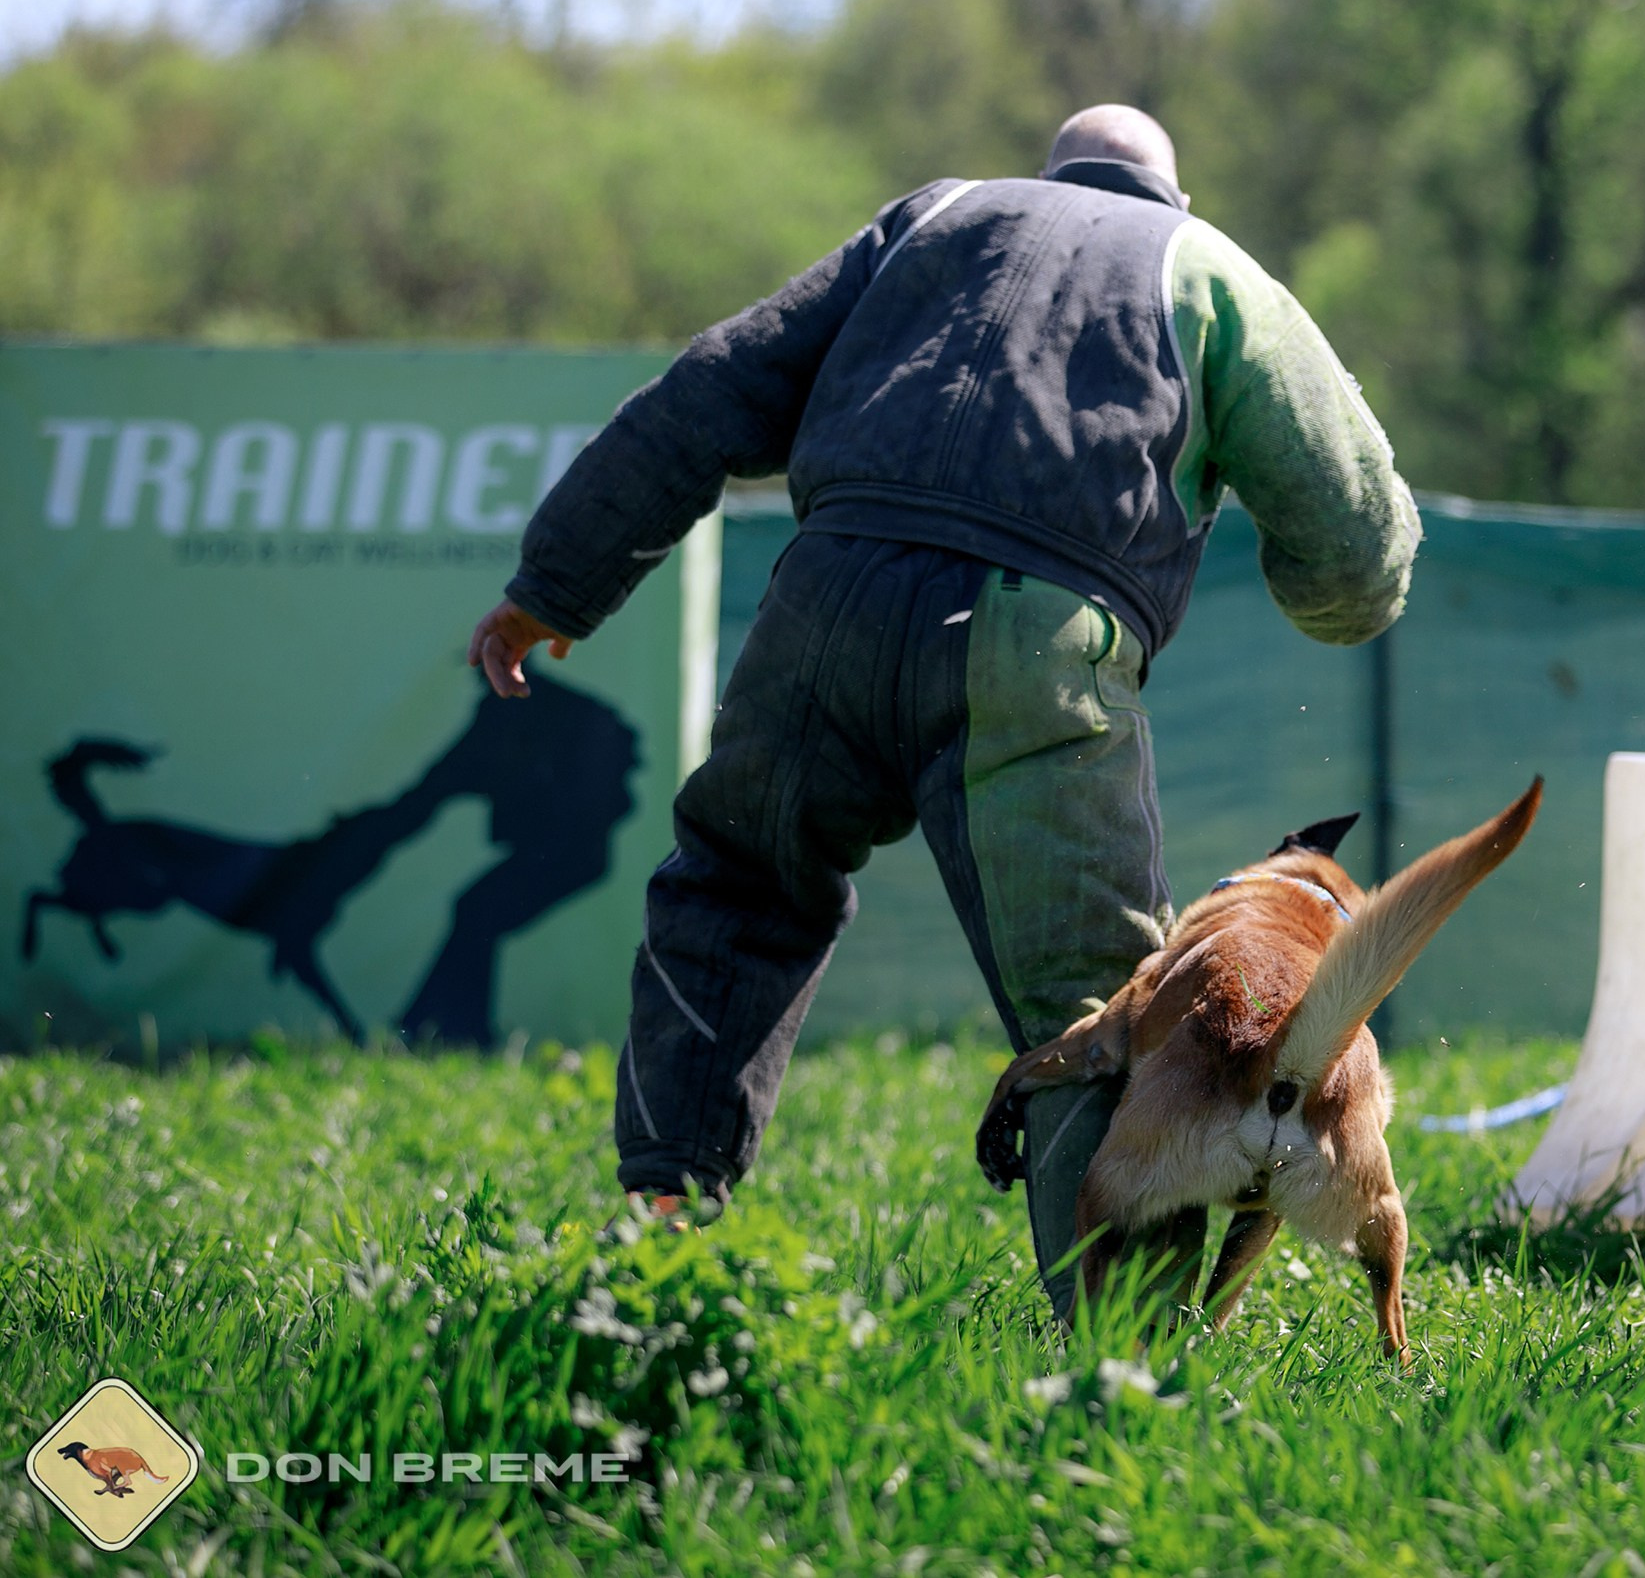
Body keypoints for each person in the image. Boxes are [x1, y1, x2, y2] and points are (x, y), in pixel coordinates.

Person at [462, 105, 1418, 1316]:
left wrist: (556, 585)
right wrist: (1338, 600)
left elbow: (710, 388)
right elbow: (1351, 543)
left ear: (1054, 168)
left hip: (822, 603)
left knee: (736, 888)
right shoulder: (1215, 276)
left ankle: (663, 1233)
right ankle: (1127, 1354)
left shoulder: (932, 216)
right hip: (1035, 638)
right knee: (1101, 1002)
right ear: (1169, 194)